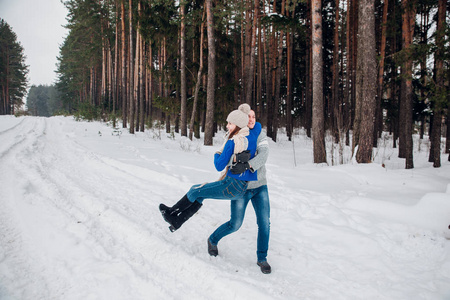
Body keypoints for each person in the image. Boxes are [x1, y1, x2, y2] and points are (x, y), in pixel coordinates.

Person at [159, 104, 262, 232]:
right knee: (200, 195)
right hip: (241, 187)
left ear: (237, 125)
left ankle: (171, 212)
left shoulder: (232, 142)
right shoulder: (252, 135)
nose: (227, 126)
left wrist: (217, 153)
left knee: (194, 190)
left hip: (231, 185)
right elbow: (258, 125)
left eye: (230, 123)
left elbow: (219, 166)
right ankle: (177, 221)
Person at [207, 109, 272, 274]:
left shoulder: (260, 135)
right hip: (240, 188)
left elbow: (264, 154)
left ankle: (262, 258)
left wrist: (248, 164)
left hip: (260, 186)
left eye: (254, 116)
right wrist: (234, 160)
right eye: (248, 116)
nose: (251, 119)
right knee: (235, 224)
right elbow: (225, 154)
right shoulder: (236, 136)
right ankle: (212, 239)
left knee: (264, 223)